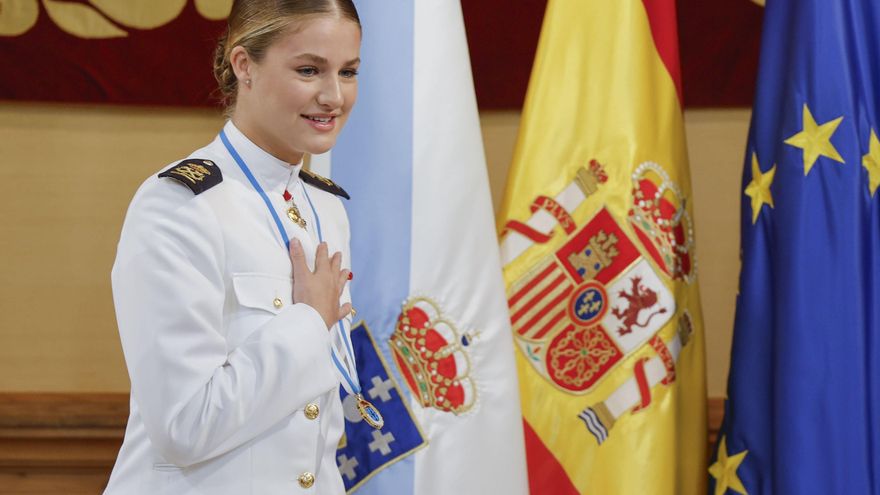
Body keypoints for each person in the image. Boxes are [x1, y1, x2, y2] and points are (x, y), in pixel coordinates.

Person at [104, 1, 363, 493]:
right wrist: (309, 322)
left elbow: (314, 431)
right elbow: (184, 426)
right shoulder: (179, 205)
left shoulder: (326, 208)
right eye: (309, 70)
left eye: (348, 72)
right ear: (244, 65)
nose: (334, 96)